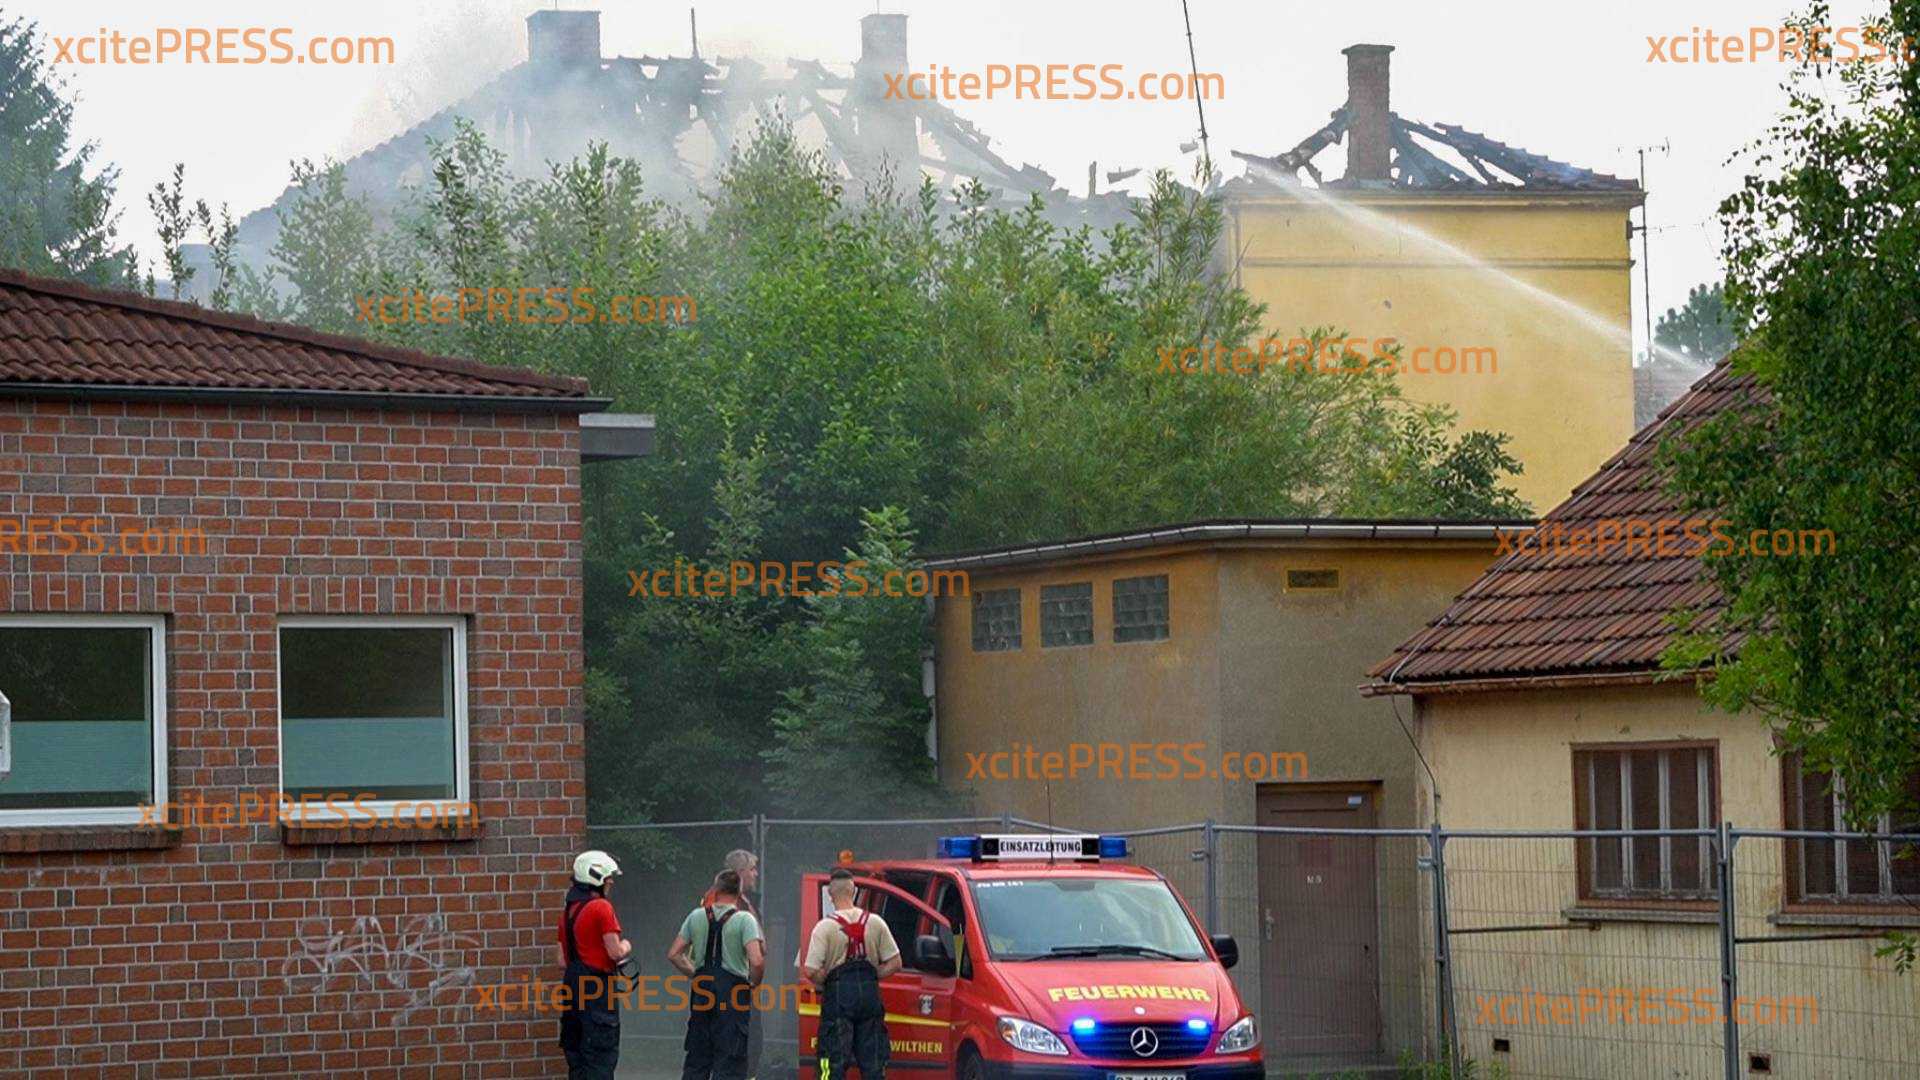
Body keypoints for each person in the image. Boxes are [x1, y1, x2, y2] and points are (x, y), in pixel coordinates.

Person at [801, 868, 902, 1079]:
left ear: (830, 894)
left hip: (838, 999)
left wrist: (826, 980)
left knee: (832, 1062)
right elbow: (895, 962)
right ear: (853, 891)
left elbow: (810, 970)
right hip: (869, 998)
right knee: (873, 1064)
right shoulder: (876, 922)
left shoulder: (825, 927)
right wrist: (873, 975)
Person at [670, 868, 766, 1080]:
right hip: (733, 996)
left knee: (698, 1058)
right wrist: (753, 983)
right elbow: (757, 961)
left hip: (702, 993)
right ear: (739, 892)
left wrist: (695, 975)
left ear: (715, 889)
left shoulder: (696, 916)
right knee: (730, 1059)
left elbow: (674, 954)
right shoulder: (745, 920)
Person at [558, 850, 632, 1080]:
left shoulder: (568, 912)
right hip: (597, 991)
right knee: (600, 1059)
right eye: (608, 877)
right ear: (596, 877)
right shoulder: (602, 907)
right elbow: (615, 952)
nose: (611, 882)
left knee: (577, 1060)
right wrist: (626, 946)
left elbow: (561, 961)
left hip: (572, 989)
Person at [700, 850, 763, 1078]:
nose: (756, 874)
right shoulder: (718, 901)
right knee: (736, 1044)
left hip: (734, 981)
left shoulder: (743, 901)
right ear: (739, 873)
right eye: (752, 869)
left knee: (750, 1041)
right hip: (729, 982)